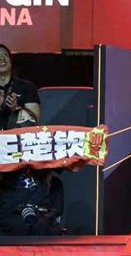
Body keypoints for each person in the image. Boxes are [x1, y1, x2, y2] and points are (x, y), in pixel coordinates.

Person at [0, 44, 62, 235]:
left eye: (5, 55)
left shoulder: (25, 88)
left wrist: (16, 108)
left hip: (19, 150)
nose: (2, 58)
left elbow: (34, 120)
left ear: (11, 60)